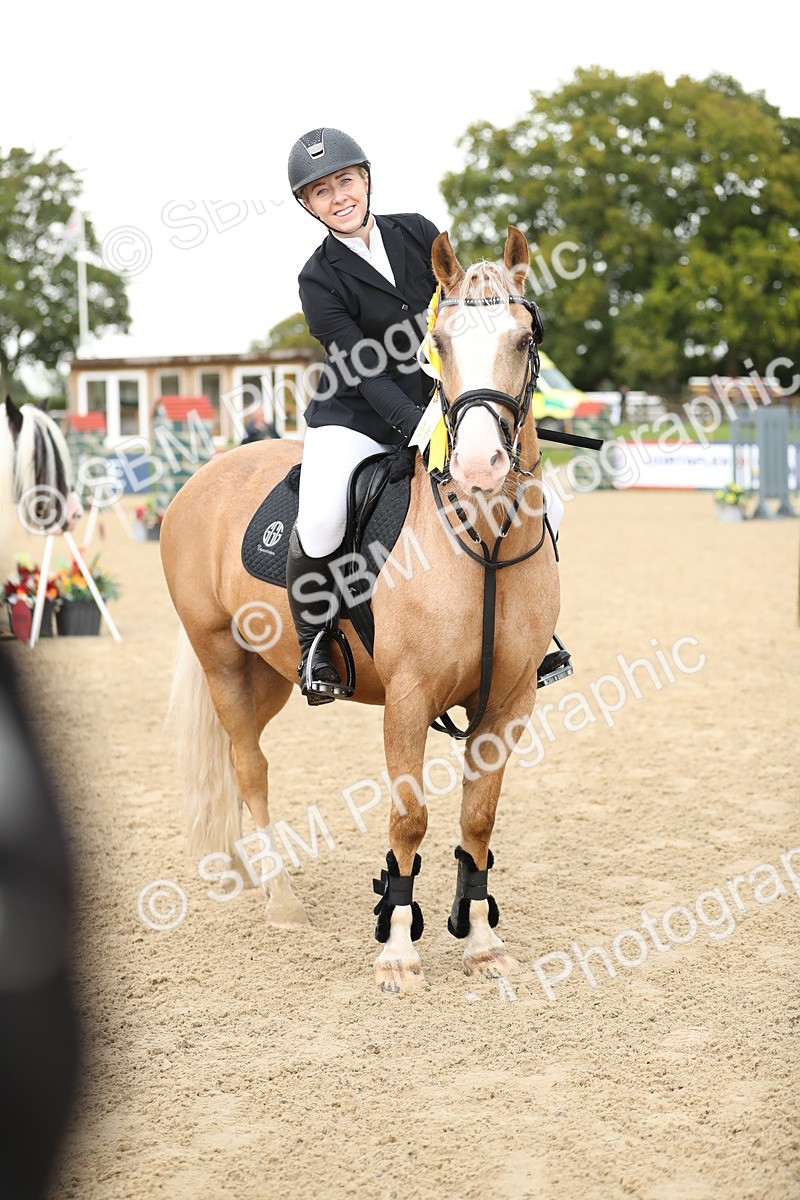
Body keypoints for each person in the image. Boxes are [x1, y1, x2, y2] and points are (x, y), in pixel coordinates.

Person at [286, 127, 570, 705]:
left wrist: (471, 401)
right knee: (320, 520)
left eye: (345, 181)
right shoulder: (317, 279)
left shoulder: (417, 233)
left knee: (551, 505)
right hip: (352, 416)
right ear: (309, 206)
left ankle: (534, 637)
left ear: (365, 180)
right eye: (322, 192)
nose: (339, 197)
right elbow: (361, 368)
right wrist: (416, 423)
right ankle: (317, 643)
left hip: (447, 406)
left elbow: (462, 315)